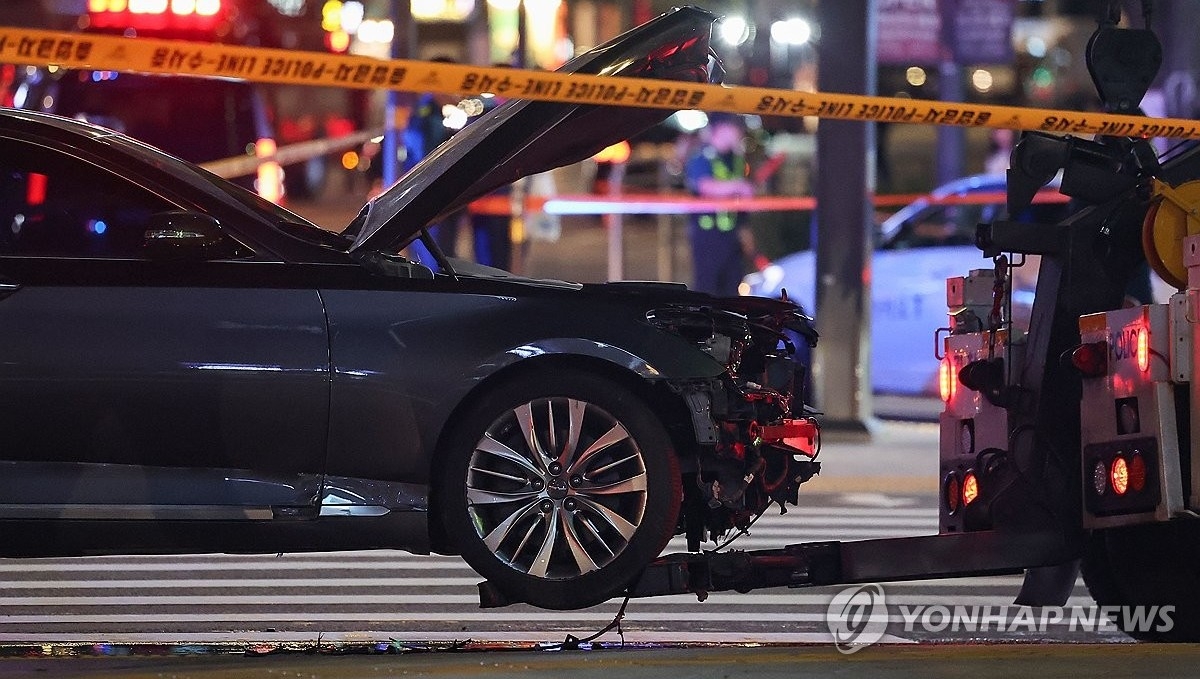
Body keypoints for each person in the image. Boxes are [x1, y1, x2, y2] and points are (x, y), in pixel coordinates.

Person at [685, 112, 756, 296]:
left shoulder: (737, 158)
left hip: (732, 233)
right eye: (735, 128)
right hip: (708, 234)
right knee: (707, 289)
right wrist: (738, 186)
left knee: (732, 288)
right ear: (721, 129)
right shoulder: (702, 155)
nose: (739, 133)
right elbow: (704, 185)